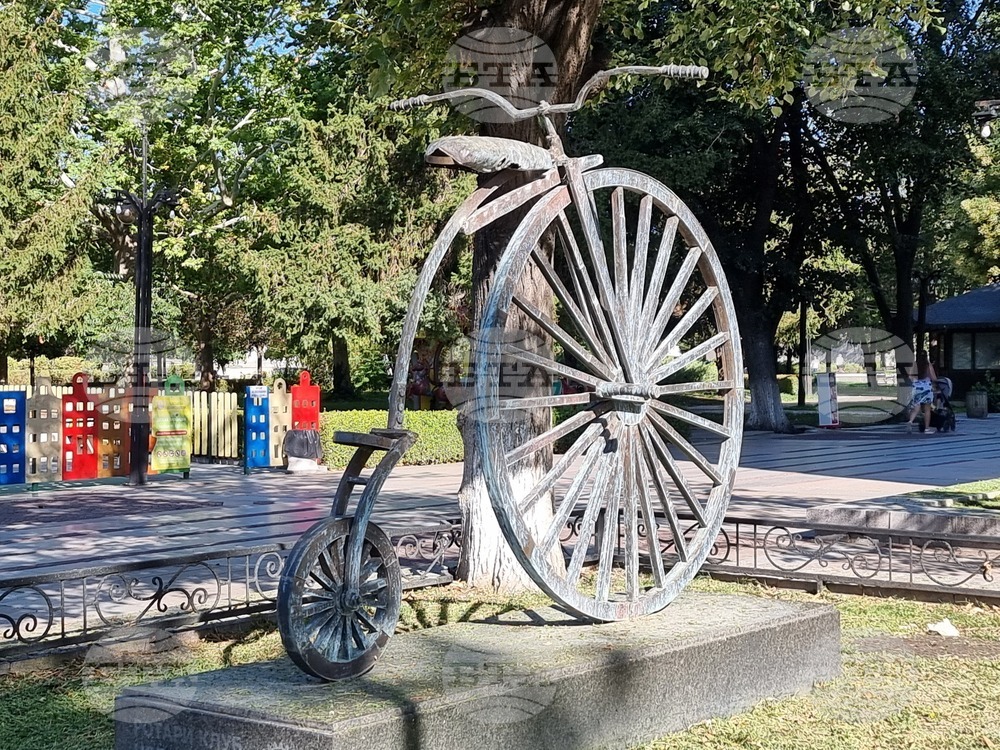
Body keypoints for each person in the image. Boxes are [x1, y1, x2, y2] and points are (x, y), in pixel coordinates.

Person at [907, 351, 938, 434]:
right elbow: (934, 378)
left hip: (916, 387)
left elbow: (910, 376)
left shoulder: (914, 364)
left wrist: (915, 381)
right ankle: (927, 429)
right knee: (927, 409)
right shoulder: (928, 365)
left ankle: (910, 421)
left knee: (916, 407)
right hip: (926, 388)